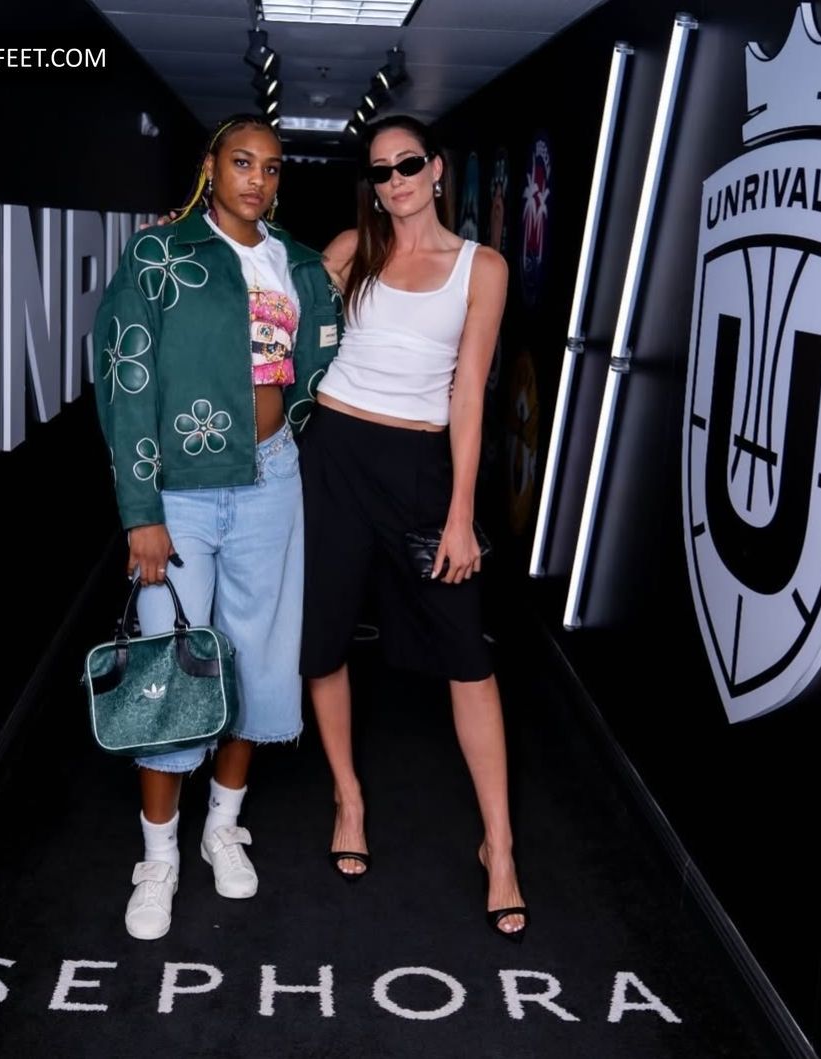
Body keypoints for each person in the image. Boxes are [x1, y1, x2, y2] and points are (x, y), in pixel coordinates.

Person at [92, 113, 341, 940]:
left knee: (255, 658)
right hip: (183, 491)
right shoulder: (160, 254)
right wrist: (141, 512)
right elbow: (126, 382)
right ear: (211, 165)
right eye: (242, 162)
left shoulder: (295, 261)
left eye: (271, 168)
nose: (257, 180)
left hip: (272, 478)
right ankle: (157, 857)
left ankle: (221, 827)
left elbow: (319, 354)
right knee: (171, 665)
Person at [299, 114, 529, 938]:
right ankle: (348, 798)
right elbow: (262, 294)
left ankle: (499, 845)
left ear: (436, 169)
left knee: (468, 654)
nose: (394, 181)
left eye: (407, 164)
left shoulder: (482, 267)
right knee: (323, 640)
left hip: (421, 469)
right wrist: (178, 243)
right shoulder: (348, 250)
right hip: (333, 459)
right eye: (380, 170)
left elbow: (469, 394)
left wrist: (461, 512)